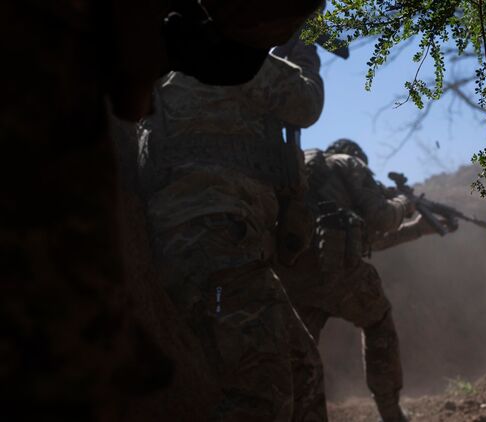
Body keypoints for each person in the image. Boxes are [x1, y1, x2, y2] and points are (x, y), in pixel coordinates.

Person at [138, 34, 326, 421]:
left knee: (302, 366)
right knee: (262, 395)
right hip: (221, 241)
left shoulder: (170, 72)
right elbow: (306, 103)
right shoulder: (232, 53)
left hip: (205, 244)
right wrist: (304, 52)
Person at [275, 139, 457, 422]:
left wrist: (418, 229)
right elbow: (381, 218)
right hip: (340, 273)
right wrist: (406, 202)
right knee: (377, 321)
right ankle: (391, 413)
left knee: (299, 357)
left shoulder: (302, 174)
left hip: (294, 278)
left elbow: (369, 239)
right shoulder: (349, 162)